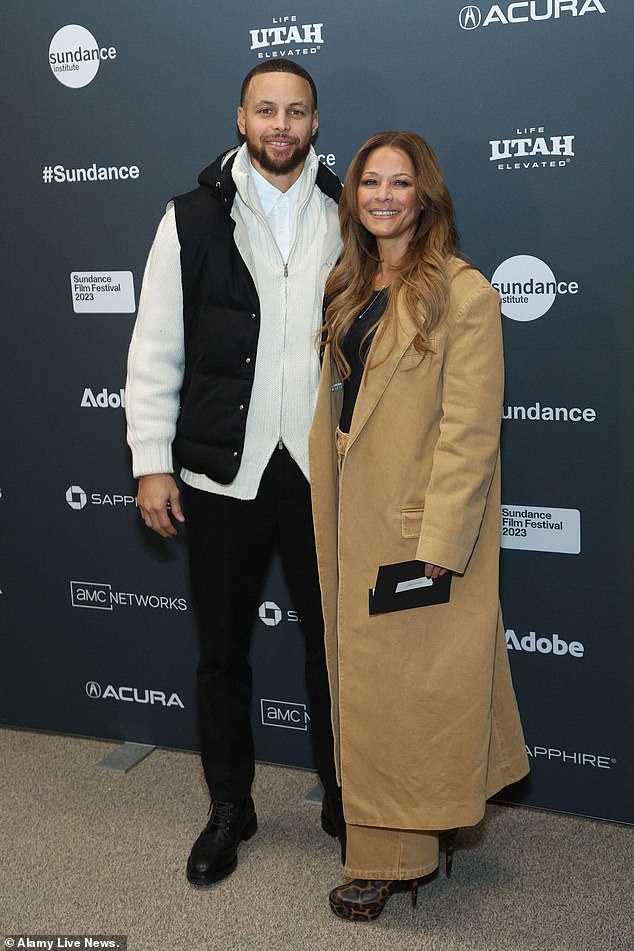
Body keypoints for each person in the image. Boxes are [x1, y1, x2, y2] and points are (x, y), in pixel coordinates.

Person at [125, 61, 344, 887]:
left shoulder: (349, 208)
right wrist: (152, 462)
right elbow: (155, 346)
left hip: (325, 469)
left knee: (335, 650)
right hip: (223, 471)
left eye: (296, 111)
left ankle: (345, 795)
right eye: (266, 110)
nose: (280, 124)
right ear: (241, 118)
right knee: (221, 651)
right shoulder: (188, 216)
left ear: (316, 123)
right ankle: (229, 805)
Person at [309, 131, 529, 921]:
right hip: (347, 516)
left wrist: (439, 543)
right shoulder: (350, 281)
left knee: (406, 699)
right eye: (371, 183)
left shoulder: (464, 292)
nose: (383, 196)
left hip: (413, 531)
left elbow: (472, 433)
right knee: (372, 694)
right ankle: (391, 846)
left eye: (400, 184)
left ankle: (391, 859)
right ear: (354, 195)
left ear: (424, 196)